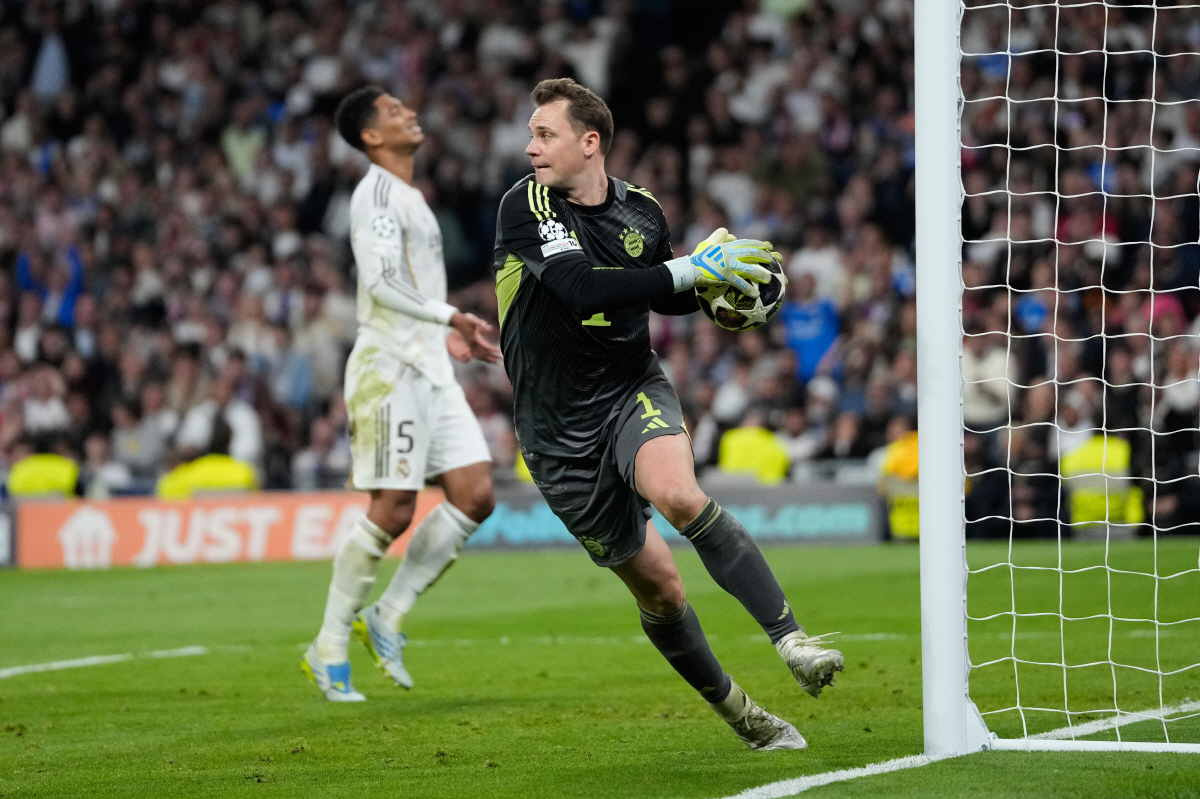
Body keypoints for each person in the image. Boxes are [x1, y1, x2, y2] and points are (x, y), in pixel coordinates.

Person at [493, 78, 843, 750]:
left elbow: (661, 290)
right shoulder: (527, 204)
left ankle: (790, 637)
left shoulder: (642, 211)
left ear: (589, 142)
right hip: (556, 433)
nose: (530, 146)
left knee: (680, 494)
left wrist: (719, 285)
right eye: (532, 134)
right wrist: (690, 270)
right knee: (662, 590)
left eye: (545, 134)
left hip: (630, 387)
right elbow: (579, 287)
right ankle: (743, 712)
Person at [302, 86, 501, 702]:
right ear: (371, 136)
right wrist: (451, 317)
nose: (409, 112)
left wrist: (445, 329)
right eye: (393, 112)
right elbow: (383, 283)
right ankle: (329, 643)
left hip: (429, 366)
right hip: (388, 367)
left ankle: (387, 614)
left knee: (475, 495)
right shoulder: (376, 194)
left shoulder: (411, 196)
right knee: (391, 510)